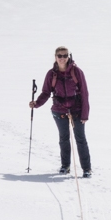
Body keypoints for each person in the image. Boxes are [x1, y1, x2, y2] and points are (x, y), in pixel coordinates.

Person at [30, 46, 91, 177]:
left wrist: (85, 114)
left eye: (65, 55)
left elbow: (84, 93)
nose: (62, 58)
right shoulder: (51, 74)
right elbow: (46, 92)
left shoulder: (77, 72)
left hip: (77, 110)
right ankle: (65, 166)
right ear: (55, 57)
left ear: (68, 56)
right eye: (60, 56)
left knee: (80, 139)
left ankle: (86, 169)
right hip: (59, 111)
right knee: (63, 139)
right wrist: (37, 103)